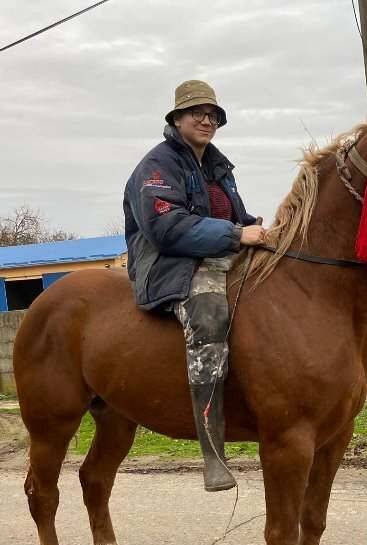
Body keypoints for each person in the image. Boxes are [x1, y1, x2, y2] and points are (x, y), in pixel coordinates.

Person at [123, 80, 265, 492]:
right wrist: (238, 235)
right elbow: (167, 227)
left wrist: (259, 229)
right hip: (170, 261)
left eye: (213, 114)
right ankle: (212, 451)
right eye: (196, 113)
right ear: (176, 119)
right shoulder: (157, 167)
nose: (206, 120)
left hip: (217, 253)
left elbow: (234, 217)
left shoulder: (218, 166)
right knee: (210, 313)